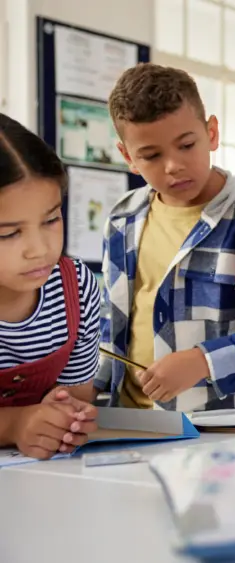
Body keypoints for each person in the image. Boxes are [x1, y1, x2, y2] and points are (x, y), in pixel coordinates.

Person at [97, 63, 235, 411]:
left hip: (222, 434)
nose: (173, 165)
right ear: (128, 157)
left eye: (186, 145)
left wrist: (204, 362)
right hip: (126, 424)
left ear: (212, 132)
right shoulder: (121, 219)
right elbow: (111, 328)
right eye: (151, 155)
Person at [0, 113, 99, 458]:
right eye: (9, 233)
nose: (40, 249)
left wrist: (67, 418)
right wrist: (15, 425)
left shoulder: (76, 288)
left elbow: (78, 396)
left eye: (52, 219)